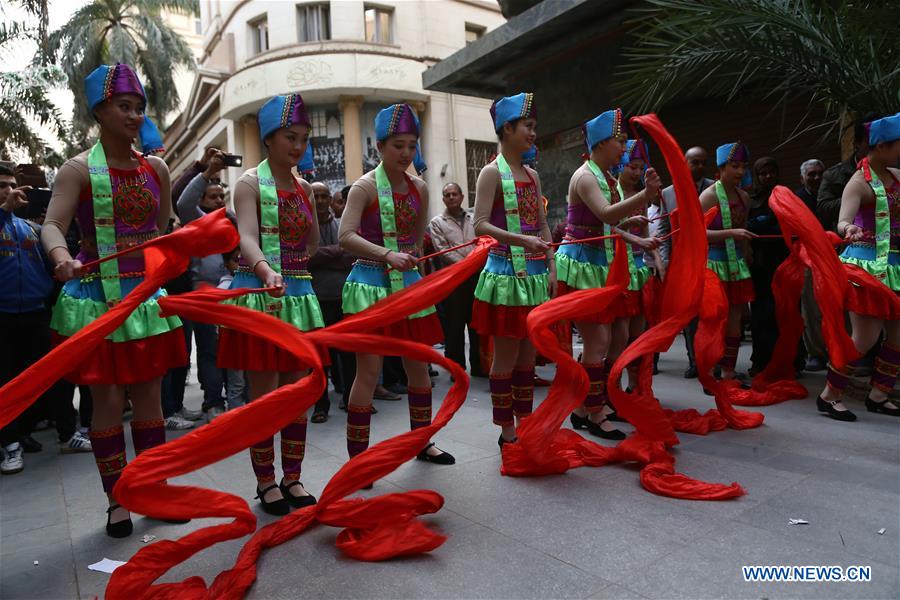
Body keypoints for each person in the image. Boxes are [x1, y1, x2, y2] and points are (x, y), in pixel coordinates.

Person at [41, 64, 188, 537]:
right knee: (106, 401)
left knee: (151, 401)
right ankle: (117, 501)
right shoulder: (77, 169)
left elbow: (165, 228)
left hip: (145, 298)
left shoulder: (157, 168)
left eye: (138, 107)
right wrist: (61, 256)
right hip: (96, 298)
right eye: (124, 107)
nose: (133, 115)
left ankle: (153, 491)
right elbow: (51, 226)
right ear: (99, 111)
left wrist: (187, 241)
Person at [217, 92, 322, 515]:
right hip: (262, 292)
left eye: (302, 138)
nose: (297, 146)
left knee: (297, 392)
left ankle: (292, 476)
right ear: (268, 139)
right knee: (264, 394)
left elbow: (312, 242)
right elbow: (246, 235)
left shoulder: (303, 189)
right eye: (289, 137)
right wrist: (264, 268)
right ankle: (265, 481)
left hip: (297, 291)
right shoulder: (248, 183)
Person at [338, 103, 454, 470]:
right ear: (380, 147)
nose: (406, 153)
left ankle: (423, 441)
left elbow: (417, 240)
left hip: (408, 285)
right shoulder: (364, 186)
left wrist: (409, 257)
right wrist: (387, 254)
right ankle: (359, 458)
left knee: (418, 368)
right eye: (397, 146)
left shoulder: (419, 187)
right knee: (369, 373)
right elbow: (345, 236)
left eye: (411, 146)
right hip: (369, 285)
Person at [555, 110, 659, 439]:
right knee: (598, 340)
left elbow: (607, 225)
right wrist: (644, 196)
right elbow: (604, 213)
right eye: (619, 140)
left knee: (606, 339)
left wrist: (635, 235)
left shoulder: (606, 176)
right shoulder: (586, 176)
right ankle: (594, 411)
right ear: (601, 142)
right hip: (584, 265)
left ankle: (585, 408)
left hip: (600, 262)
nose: (622, 147)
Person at [470, 92, 555, 446]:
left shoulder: (532, 175)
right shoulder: (491, 173)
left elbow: (542, 224)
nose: (533, 133)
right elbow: (480, 225)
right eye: (528, 127)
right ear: (507, 128)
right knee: (506, 355)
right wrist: (522, 241)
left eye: (534, 127)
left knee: (527, 357)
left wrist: (550, 264)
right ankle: (507, 432)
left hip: (534, 273)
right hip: (505, 273)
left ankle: (527, 423)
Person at [0, 166, 92, 476]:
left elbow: (56, 257)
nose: (10, 191)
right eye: (2, 186)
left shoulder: (29, 229)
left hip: (38, 313)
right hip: (3, 317)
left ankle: (68, 434)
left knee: (56, 374)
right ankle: (10, 445)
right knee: (6, 382)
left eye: (13, 185)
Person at [815, 113, 900, 422]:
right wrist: (848, 228)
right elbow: (842, 220)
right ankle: (829, 395)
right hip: (867, 265)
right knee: (863, 338)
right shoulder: (858, 182)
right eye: (898, 145)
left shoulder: (896, 175)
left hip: (895, 265)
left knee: (898, 335)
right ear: (881, 145)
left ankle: (879, 394)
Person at [177, 148, 230, 421]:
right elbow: (183, 204)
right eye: (213, 197)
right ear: (203, 200)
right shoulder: (197, 220)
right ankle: (213, 401)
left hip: (230, 295)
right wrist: (207, 172)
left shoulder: (231, 221)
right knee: (207, 350)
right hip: (199, 297)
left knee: (228, 349)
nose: (219, 200)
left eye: (222, 196)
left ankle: (235, 396)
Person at [607, 139, 662, 395]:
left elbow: (649, 234)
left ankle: (634, 387)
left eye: (641, 168)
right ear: (620, 165)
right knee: (619, 334)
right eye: (633, 167)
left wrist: (658, 262)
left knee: (638, 334)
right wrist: (629, 230)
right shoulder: (611, 192)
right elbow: (608, 229)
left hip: (640, 268)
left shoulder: (643, 196)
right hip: (619, 269)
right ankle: (611, 388)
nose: (637, 173)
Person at [698, 142, 757, 382]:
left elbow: (743, 230)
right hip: (713, 264)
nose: (740, 172)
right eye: (734, 166)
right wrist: (730, 234)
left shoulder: (744, 196)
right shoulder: (709, 195)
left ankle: (729, 371)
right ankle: (709, 372)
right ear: (721, 169)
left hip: (737, 265)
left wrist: (746, 249)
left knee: (735, 321)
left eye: (743, 166)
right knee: (713, 321)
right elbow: (695, 233)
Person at [659, 146, 714, 378]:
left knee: (712, 311)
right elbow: (663, 228)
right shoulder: (668, 193)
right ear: (684, 163)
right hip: (682, 262)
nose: (699, 167)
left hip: (711, 258)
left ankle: (713, 360)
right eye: (695, 162)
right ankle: (695, 361)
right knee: (689, 314)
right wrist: (664, 261)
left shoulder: (714, 189)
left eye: (703, 162)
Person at [308, 181, 355, 423]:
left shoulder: (341, 225)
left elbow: (351, 255)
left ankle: (350, 398)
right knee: (318, 357)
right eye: (316, 196)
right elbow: (306, 256)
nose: (321, 200)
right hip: (316, 299)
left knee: (348, 353)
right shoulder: (304, 227)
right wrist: (336, 252)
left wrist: (323, 255)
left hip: (342, 297)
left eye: (325, 195)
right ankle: (320, 405)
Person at [429, 182, 483, 377]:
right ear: (443, 199)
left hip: (476, 276)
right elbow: (441, 250)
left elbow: (483, 242)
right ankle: (456, 369)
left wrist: (474, 264)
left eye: (454, 194)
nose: (451, 197)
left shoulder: (474, 218)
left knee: (476, 323)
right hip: (453, 280)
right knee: (454, 326)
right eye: (447, 195)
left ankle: (479, 366)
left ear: (461, 197)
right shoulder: (437, 222)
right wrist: (466, 265)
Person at [795, 159, 828, 372]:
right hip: (807, 259)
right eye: (811, 174)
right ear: (802, 178)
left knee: (837, 306)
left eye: (819, 174)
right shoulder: (798, 199)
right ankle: (816, 353)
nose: (816, 178)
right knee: (811, 308)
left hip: (834, 257)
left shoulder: (831, 195)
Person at [817, 114, 876, 232]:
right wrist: (856, 197)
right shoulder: (835, 174)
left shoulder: (894, 171)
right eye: (869, 141)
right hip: (855, 241)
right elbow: (823, 208)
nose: (876, 146)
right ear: (857, 144)